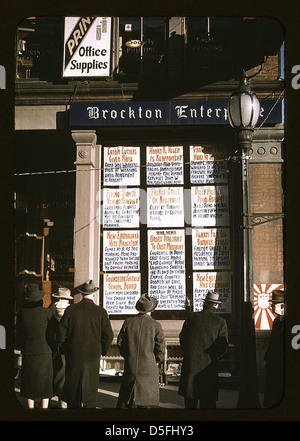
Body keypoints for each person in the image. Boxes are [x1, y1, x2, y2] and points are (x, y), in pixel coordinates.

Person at [57, 280, 113, 409]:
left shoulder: (71, 309)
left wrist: (64, 348)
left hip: (73, 352)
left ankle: (73, 405)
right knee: (90, 381)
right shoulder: (101, 312)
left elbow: (61, 333)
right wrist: (103, 350)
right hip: (93, 353)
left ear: (81, 294)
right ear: (94, 294)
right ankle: (88, 405)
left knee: (73, 381)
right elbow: (108, 336)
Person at [178, 291, 229, 409]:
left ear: (204, 303)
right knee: (208, 406)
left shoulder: (191, 317)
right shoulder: (220, 322)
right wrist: (214, 357)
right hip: (208, 369)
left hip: (190, 367)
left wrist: (190, 352)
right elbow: (222, 347)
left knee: (190, 405)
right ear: (216, 305)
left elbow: (183, 339)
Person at [116, 294, 165, 409]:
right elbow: (160, 349)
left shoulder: (128, 322)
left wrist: (129, 356)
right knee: (145, 404)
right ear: (151, 310)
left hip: (131, 365)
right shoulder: (156, 325)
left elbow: (120, 343)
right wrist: (155, 360)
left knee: (125, 400)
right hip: (149, 368)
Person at [15, 283, 54, 409]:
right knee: (45, 383)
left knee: (29, 382)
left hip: (28, 352)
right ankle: (44, 408)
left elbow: (19, 334)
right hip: (45, 351)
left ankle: (30, 408)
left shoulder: (22, 314)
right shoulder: (47, 313)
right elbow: (53, 333)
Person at [48, 287, 73, 408]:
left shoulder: (52, 308)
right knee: (61, 376)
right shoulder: (61, 310)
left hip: (56, 348)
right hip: (60, 348)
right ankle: (62, 402)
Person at [263, 289, 285, 408]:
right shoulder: (277, 321)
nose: (271, 306)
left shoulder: (284, 321)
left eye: (274, 304)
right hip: (274, 360)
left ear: (282, 305)